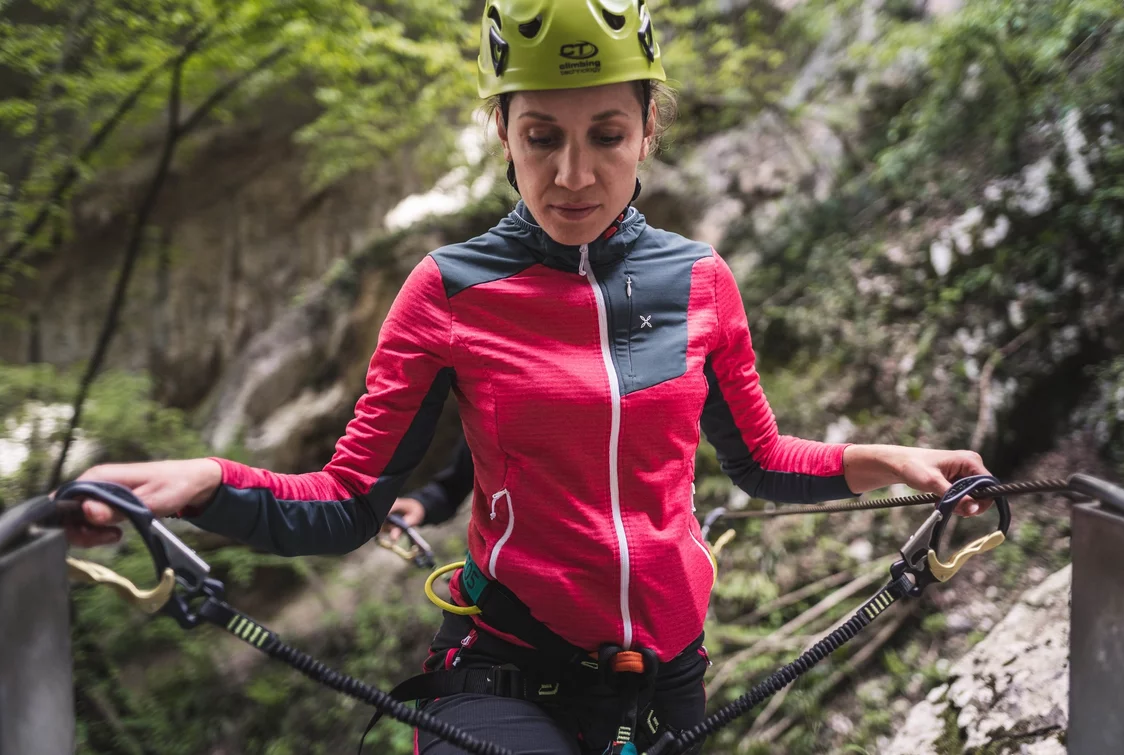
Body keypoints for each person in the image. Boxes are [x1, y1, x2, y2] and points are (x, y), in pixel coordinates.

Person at [65, 1, 994, 752]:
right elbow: (346, 498)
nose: (574, 172)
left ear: (648, 129)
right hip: (504, 668)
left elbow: (760, 460)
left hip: (667, 679)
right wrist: (204, 485)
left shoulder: (700, 280)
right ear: (500, 128)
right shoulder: (448, 290)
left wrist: (894, 460)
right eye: (542, 135)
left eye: (608, 134)